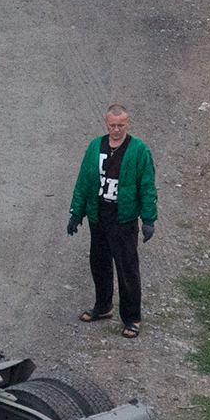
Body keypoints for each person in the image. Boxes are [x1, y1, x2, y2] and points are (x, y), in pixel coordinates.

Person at [66, 104, 157, 338]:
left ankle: (132, 318)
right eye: (112, 125)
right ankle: (103, 306)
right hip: (99, 217)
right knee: (99, 265)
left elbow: (147, 186)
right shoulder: (95, 146)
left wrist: (148, 219)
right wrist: (77, 213)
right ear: (106, 124)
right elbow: (84, 180)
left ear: (128, 124)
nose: (116, 129)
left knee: (127, 269)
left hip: (124, 219)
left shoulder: (139, 150)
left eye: (121, 125)